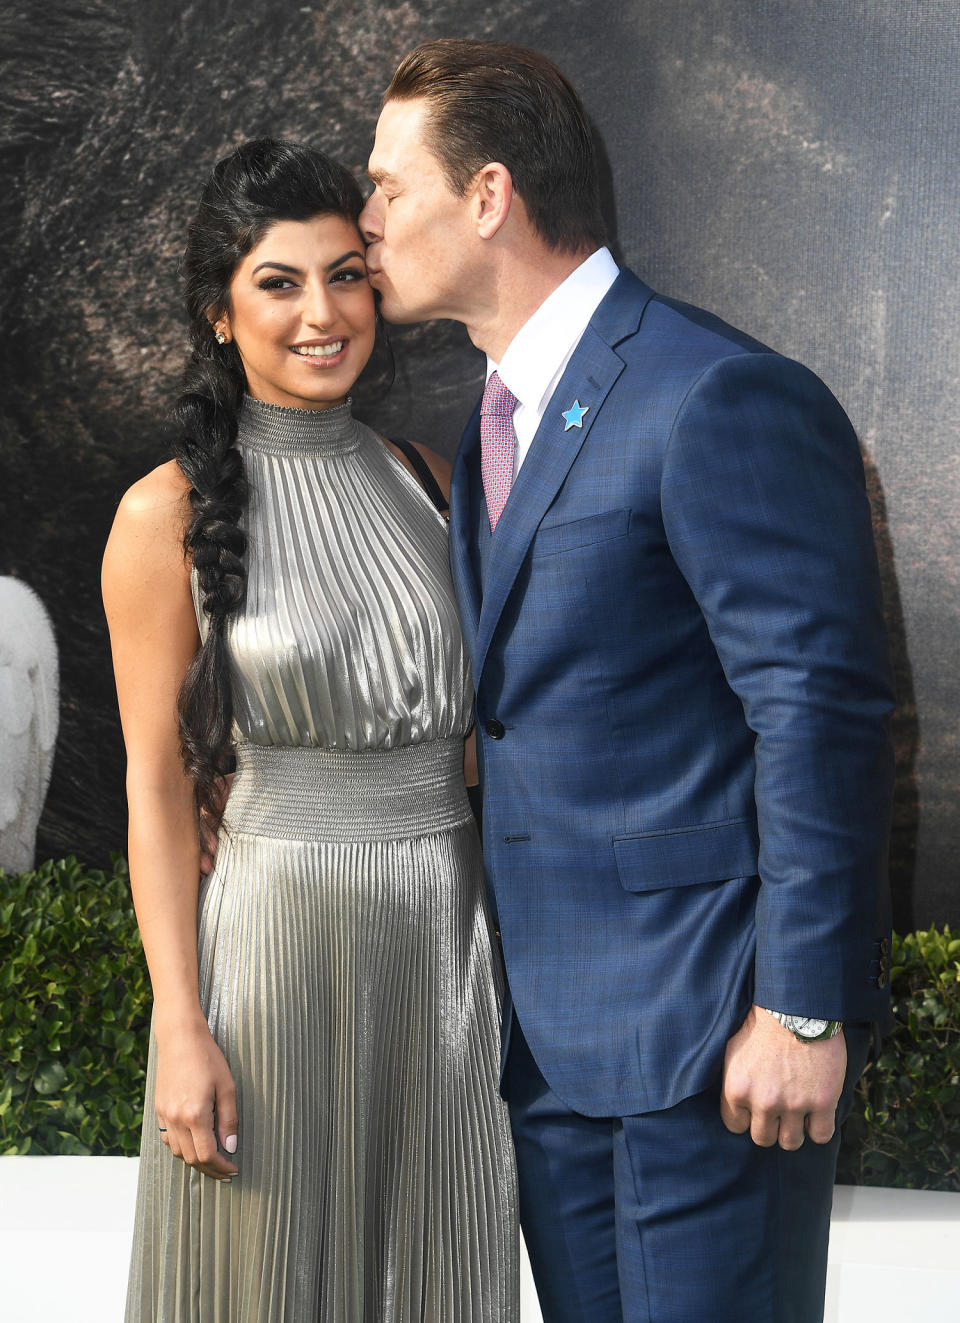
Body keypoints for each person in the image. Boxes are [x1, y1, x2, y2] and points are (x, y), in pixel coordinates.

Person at [359, 39, 895, 1323]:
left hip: (711, 1041)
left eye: (388, 185)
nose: (366, 218)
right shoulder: (497, 415)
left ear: (488, 196)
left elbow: (817, 712)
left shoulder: (715, 395)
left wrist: (803, 1013)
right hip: (552, 1046)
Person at [102, 137, 518, 1323]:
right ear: (218, 315)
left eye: (347, 274)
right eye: (279, 283)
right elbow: (152, 789)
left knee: (438, 1265)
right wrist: (180, 1026)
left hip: (445, 942)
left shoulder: (431, 478)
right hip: (272, 954)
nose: (323, 314)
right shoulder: (164, 515)